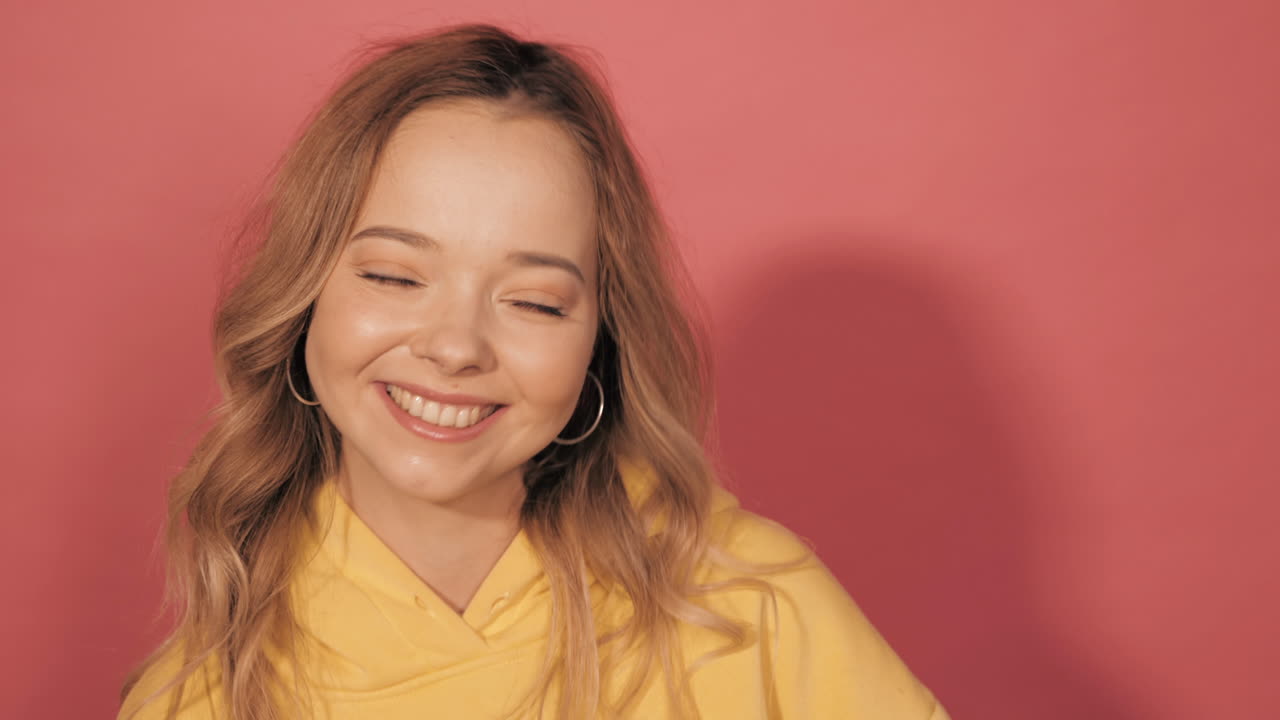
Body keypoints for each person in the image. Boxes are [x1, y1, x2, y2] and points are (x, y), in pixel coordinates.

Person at [118, 23, 948, 720]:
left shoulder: (752, 605)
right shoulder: (196, 698)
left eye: (535, 302)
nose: (455, 347)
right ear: (302, 300)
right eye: (395, 277)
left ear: (598, 341)